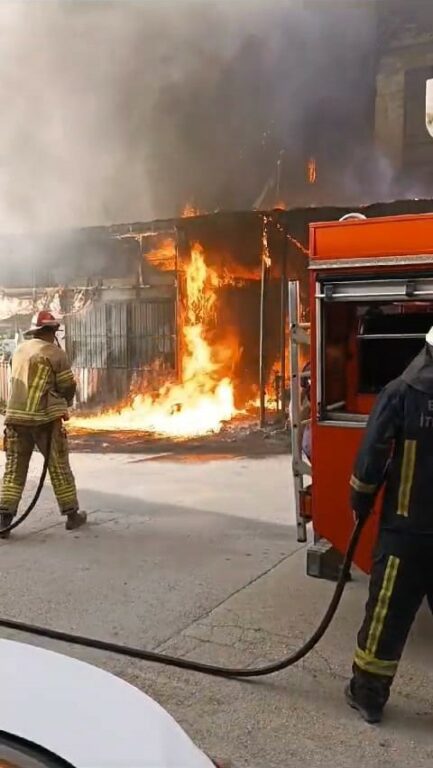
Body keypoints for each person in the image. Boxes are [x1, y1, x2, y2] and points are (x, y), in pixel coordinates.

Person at [346, 326, 433, 724]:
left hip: (405, 532)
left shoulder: (401, 393)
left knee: (387, 616)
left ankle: (368, 695)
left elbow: (372, 456)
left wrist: (360, 500)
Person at [0, 311, 87, 537]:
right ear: (52, 331)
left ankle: (4, 521)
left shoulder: (19, 350)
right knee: (58, 466)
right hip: (44, 420)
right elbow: (67, 386)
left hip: (15, 419)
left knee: (14, 470)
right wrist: (65, 402)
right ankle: (72, 515)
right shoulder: (55, 353)